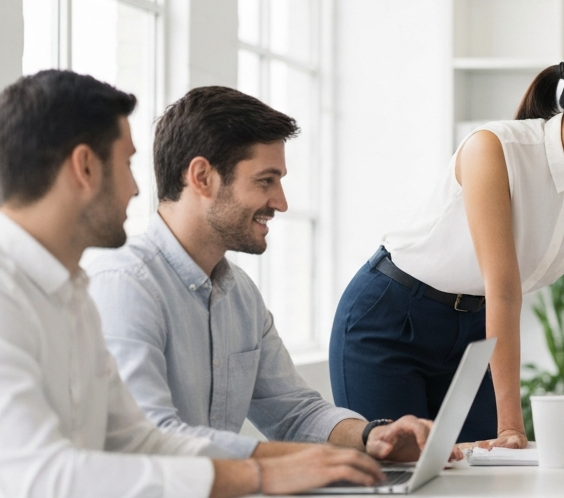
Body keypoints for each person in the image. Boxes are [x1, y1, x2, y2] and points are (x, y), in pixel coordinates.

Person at [0, 70, 385, 497]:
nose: (134, 188)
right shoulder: (68, 289)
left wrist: (334, 453)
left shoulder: (71, 295)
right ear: (85, 167)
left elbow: (138, 440)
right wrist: (264, 474)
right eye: (127, 163)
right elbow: (39, 476)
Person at [330, 28, 564, 448]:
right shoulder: (494, 149)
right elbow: (504, 289)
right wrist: (510, 425)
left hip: (475, 328)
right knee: (394, 471)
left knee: (486, 480)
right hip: (392, 319)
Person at [87, 87, 442, 462]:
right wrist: (290, 466)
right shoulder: (124, 285)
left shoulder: (239, 294)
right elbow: (153, 437)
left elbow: (296, 412)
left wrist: (373, 435)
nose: (281, 202)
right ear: (203, 177)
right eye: (265, 180)